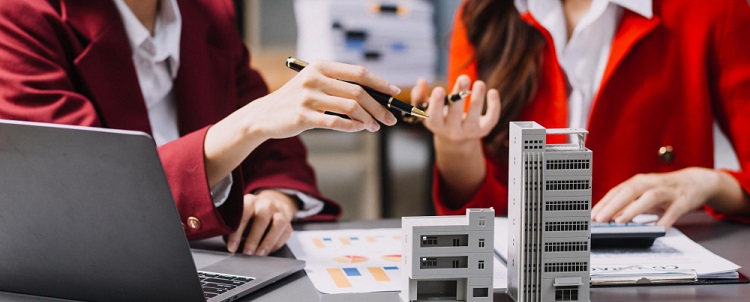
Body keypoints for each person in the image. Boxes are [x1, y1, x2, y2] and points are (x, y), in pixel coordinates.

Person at [0, 0, 400, 255]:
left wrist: (275, 199)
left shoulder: (207, 13)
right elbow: (80, 192)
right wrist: (246, 125)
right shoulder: (21, 16)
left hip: (219, 265)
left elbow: (279, 154)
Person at [411, 0, 750, 226]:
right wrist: (456, 148)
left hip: (655, 276)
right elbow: (485, 213)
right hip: (523, 274)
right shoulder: (483, 12)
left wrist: (707, 183)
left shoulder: (712, 8)